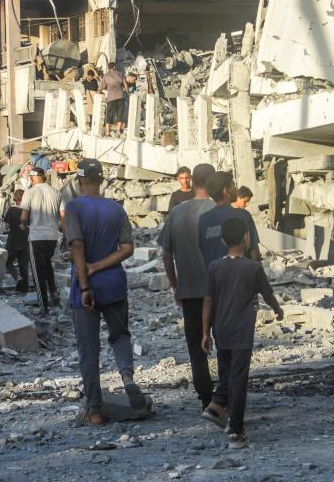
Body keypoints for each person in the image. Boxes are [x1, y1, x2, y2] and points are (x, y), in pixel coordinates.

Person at [64, 159, 147, 424]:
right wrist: (99, 266)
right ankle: (127, 377)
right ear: (101, 180)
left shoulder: (73, 207)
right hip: (114, 283)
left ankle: (95, 411)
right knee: (120, 336)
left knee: (89, 350)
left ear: (79, 181)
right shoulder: (116, 209)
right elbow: (127, 248)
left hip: (85, 287)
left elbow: (77, 246)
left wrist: (85, 282)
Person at [202, 217, 284, 449]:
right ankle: (236, 431)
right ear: (247, 237)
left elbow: (208, 302)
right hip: (241, 331)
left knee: (226, 373)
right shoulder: (253, 268)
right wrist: (278, 310)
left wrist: (205, 332)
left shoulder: (214, 267)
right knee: (238, 379)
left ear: (222, 240)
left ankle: (217, 406)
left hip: (220, 329)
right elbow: (267, 295)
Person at [157, 163, 216, 419]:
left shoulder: (177, 213)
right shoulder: (221, 211)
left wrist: (175, 285)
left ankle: (206, 399)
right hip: (220, 290)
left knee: (196, 346)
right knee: (225, 342)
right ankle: (227, 396)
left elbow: (166, 254)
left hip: (190, 290)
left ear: (193, 181)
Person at [20, 167, 63, 310]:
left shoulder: (30, 192)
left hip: (36, 237)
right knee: (47, 264)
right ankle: (53, 293)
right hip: (52, 237)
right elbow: (63, 216)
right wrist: (63, 231)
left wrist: (23, 225)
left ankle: (44, 307)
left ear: (33, 178)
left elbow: (24, 217)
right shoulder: (56, 192)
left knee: (38, 273)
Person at [198, 171, 261, 268]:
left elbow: (202, 253)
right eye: (233, 185)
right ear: (226, 191)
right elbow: (254, 251)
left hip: (215, 275)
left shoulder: (203, 220)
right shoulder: (243, 215)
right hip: (241, 274)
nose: (236, 189)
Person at [4, 189, 30, 293]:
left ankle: (17, 277)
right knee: (24, 266)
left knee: (7, 262)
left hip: (12, 242)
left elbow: (6, 227)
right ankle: (25, 289)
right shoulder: (27, 211)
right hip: (24, 242)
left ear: (16, 198)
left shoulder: (11, 210)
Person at [101, 63, 126, 136]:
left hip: (111, 97)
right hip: (120, 96)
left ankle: (107, 131)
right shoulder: (120, 74)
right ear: (114, 67)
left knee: (109, 114)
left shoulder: (106, 76)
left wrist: (98, 92)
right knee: (120, 113)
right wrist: (128, 93)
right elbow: (125, 85)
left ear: (108, 67)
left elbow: (101, 87)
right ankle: (118, 130)